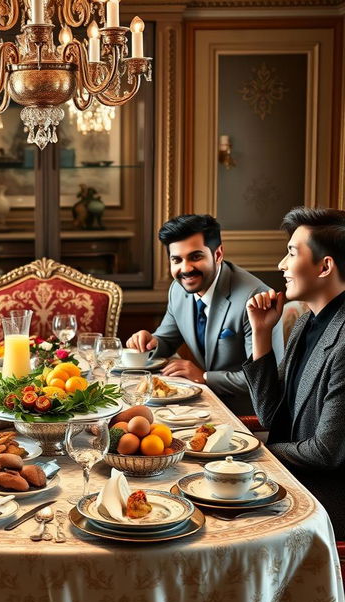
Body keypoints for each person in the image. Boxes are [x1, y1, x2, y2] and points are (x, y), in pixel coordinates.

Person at [243, 207, 345, 538]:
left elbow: (327, 452)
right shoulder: (305, 323)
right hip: (287, 477)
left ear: (325, 266)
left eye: (291, 253)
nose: (281, 266)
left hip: (324, 500)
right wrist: (261, 333)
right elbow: (271, 416)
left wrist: (258, 455)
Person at [126, 214, 283, 415]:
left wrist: (204, 376)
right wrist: (151, 341)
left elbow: (266, 378)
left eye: (195, 257)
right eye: (177, 260)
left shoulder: (254, 299)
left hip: (248, 414)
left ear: (218, 254)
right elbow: (167, 338)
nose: (185, 269)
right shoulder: (178, 289)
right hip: (202, 404)